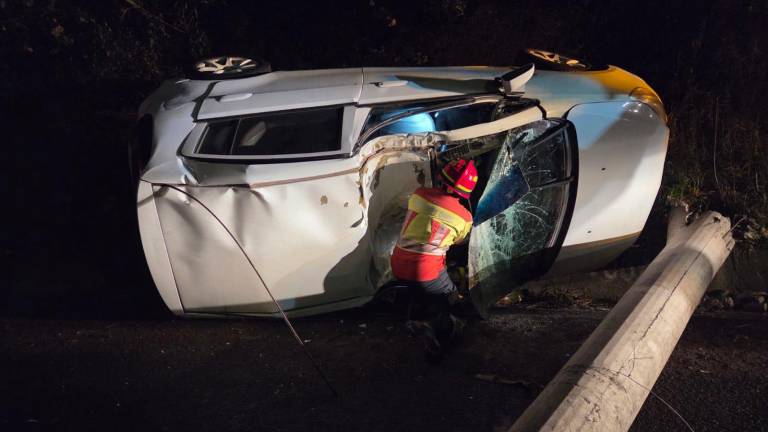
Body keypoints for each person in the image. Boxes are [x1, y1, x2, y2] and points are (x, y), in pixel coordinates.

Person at [390, 158, 478, 362]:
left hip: (397, 263)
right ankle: (435, 331)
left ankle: (415, 317)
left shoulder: (419, 195)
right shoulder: (465, 218)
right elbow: (457, 242)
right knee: (453, 300)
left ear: (441, 177)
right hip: (425, 271)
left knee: (419, 291)